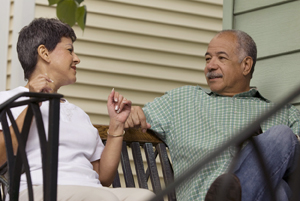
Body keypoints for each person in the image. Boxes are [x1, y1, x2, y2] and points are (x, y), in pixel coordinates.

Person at [124, 30, 300, 201]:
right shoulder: (182, 100)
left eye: (221, 58)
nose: (210, 65)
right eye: (208, 59)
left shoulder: (284, 113)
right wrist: (131, 113)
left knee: (281, 149)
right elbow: (131, 117)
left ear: (246, 65)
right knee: (279, 190)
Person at [0, 18, 154, 201]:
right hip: (37, 191)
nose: (77, 58)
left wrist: (117, 125)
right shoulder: (9, 100)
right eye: (69, 50)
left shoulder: (79, 114)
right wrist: (33, 103)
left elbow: (103, 177)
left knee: (146, 196)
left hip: (91, 191)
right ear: (44, 53)